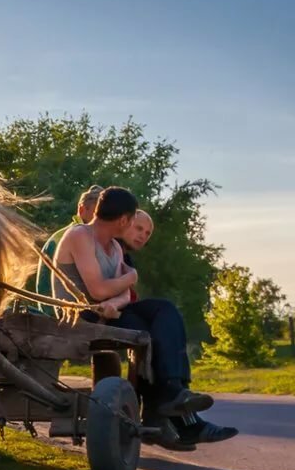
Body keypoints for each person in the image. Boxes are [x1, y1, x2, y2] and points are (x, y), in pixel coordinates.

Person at [51, 187, 236, 446]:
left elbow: (124, 295)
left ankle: (174, 391)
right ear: (124, 219)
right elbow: (98, 290)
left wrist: (116, 300)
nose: (135, 229)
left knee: (164, 311)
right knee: (145, 332)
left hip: (108, 312)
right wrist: (131, 277)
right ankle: (172, 419)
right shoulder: (80, 235)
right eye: (133, 222)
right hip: (80, 316)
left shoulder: (115, 248)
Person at [113, 208, 237, 445]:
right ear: (123, 222)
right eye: (138, 228)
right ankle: (174, 411)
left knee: (160, 329)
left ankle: (174, 407)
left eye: (147, 233)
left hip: (120, 309)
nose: (143, 236)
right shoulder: (108, 247)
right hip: (104, 311)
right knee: (163, 314)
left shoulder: (122, 254)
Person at [34, 185, 103, 314]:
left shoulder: (97, 241)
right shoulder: (64, 239)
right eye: (97, 214)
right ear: (81, 210)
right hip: (58, 315)